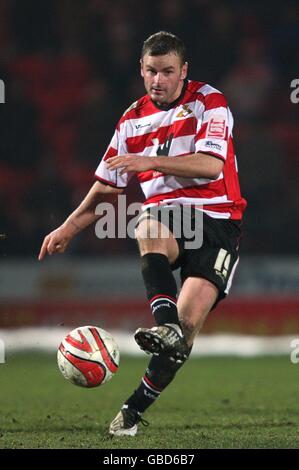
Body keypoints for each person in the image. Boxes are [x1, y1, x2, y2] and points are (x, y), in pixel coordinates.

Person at [39, 31, 247, 436]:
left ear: (183, 71)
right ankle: (163, 321)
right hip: (168, 217)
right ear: (141, 70)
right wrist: (70, 225)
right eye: (151, 71)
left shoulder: (210, 102)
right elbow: (106, 188)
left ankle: (131, 412)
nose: (159, 80)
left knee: (183, 339)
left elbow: (209, 166)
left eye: (168, 71)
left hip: (218, 220)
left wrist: (147, 160)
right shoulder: (131, 119)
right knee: (147, 223)